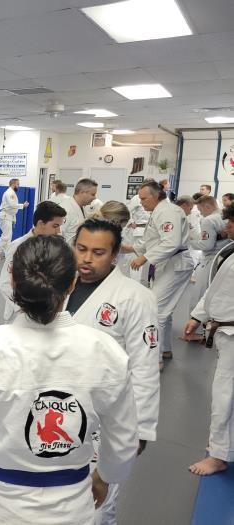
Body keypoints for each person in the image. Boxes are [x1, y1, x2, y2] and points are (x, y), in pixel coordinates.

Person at [0, 236, 138, 525]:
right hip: (72, 510)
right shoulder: (106, 351)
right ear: (72, 283)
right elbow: (123, 436)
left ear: (13, 280)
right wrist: (105, 476)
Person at [68, 219, 160, 524]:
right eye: (81, 249)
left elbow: (145, 368)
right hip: (60, 409)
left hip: (106, 417)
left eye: (98, 252)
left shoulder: (135, 297)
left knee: (97, 507)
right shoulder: (60, 284)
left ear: (115, 254)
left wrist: (141, 430)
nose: (86, 259)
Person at [184, 203, 234, 476]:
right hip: (223, 331)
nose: (227, 227)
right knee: (226, 394)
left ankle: (218, 454)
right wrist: (197, 316)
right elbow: (215, 291)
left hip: (232, 333)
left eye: (231, 222)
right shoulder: (230, 250)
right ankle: (224, 445)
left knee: (224, 395)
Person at [123, 181, 192, 366]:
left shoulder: (167, 211)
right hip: (168, 264)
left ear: (155, 196)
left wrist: (144, 258)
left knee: (156, 310)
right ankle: (165, 349)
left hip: (175, 264)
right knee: (164, 311)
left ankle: (155, 359)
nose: (141, 202)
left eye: (144, 199)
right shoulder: (158, 211)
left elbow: (171, 242)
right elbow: (152, 240)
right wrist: (129, 248)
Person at [0, 201, 66, 323]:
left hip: (45, 312)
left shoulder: (52, 246)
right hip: (20, 313)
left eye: (60, 226)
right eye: (55, 226)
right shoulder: (18, 246)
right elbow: (5, 283)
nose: (58, 231)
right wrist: (24, 310)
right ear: (41, 223)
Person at [185, 196, 228, 341]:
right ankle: (210, 329)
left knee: (199, 295)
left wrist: (188, 242)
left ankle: (193, 332)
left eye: (201, 209)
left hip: (211, 260)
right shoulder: (225, 216)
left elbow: (206, 245)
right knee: (217, 295)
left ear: (208, 206)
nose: (200, 213)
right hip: (225, 259)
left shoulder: (209, 220)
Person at [0, 178, 29, 259]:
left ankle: (7, 253)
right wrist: (22, 205)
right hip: (5, 216)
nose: (18, 186)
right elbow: (12, 205)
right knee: (6, 236)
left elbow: (12, 207)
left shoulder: (12, 192)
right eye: (17, 184)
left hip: (8, 216)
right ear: (13, 184)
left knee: (8, 237)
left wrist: (13, 219)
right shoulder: (9, 193)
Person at [60, 178, 98, 246]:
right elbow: (58, 235)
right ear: (82, 192)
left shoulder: (82, 207)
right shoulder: (66, 209)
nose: (95, 198)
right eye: (93, 194)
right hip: (65, 250)